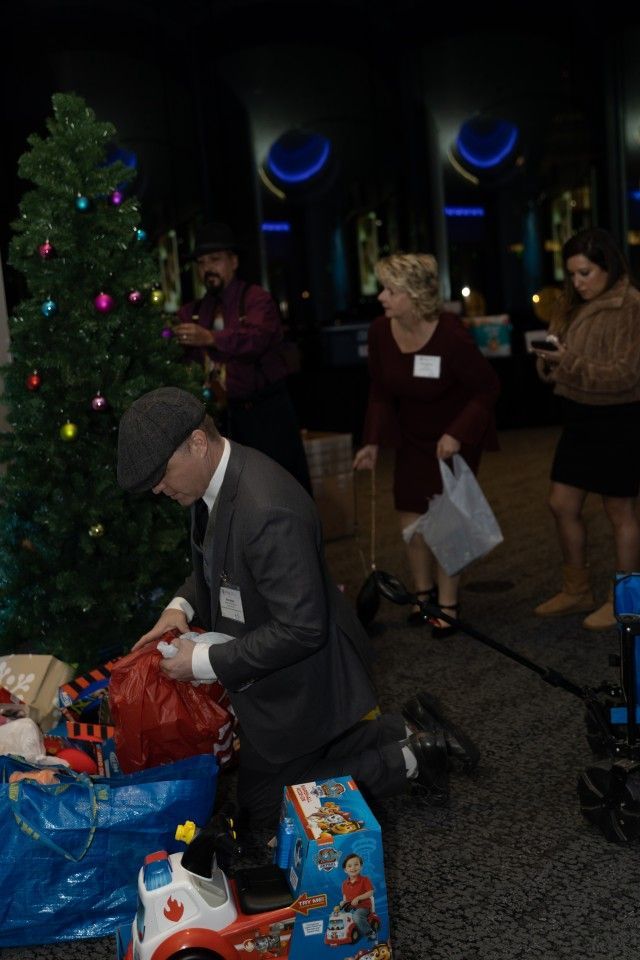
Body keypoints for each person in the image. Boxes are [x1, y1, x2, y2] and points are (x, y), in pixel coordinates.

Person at [116, 387, 450, 829]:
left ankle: (412, 756)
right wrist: (181, 605)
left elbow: (302, 629)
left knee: (267, 807)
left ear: (197, 442)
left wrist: (204, 660)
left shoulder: (266, 507)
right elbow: (214, 563)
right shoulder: (214, 481)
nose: (158, 488)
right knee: (261, 796)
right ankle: (398, 730)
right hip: (271, 668)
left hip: (309, 674)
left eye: (161, 474)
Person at [353, 253, 500, 636]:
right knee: (412, 524)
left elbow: (487, 388)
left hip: (453, 439)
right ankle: (423, 595)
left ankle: (448, 605)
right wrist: (371, 442)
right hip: (411, 437)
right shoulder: (380, 332)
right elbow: (380, 390)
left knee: (447, 525)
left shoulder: (451, 335)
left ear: (415, 295)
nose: (381, 296)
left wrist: (457, 432)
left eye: (390, 290)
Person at [532, 227, 640, 629]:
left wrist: (567, 362)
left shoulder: (630, 306)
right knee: (561, 503)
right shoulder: (573, 304)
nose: (577, 283)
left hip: (618, 417)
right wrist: (548, 359)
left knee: (620, 511)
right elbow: (559, 359)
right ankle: (577, 589)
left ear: (608, 267)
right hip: (579, 416)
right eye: (572, 275)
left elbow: (626, 376)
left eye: (585, 273)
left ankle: (627, 603)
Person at [175, 221, 312, 494]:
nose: (207, 269)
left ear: (234, 261)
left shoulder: (256, 299)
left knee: (280, 488)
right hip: (221, 418)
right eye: (201, 263)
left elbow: (257, 339)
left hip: (265, 413)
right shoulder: (193, 310)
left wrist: (211, 338)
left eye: (215, 260)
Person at [337, 852, 376, 942]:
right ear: (345, 870)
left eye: (356, 865)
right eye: (349, 866)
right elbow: (346, 898)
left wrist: (358, 898)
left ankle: (370, 932)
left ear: (361, 867)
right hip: (350, 907)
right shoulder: (344, 884)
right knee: (335, 915)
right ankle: (339, 933)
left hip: (363, 907)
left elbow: (370, 892)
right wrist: (343, 902)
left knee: (357, 916)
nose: (353, 868)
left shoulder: (365, 880)